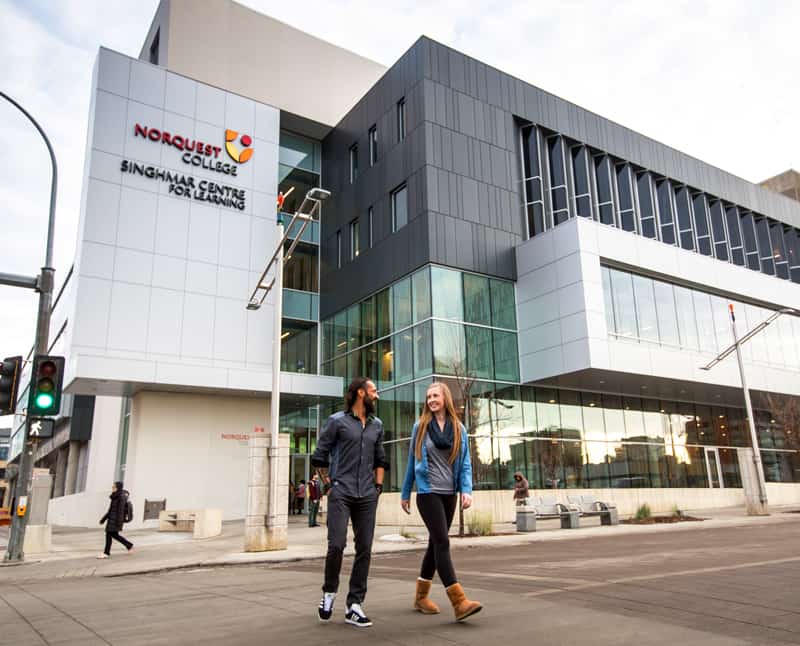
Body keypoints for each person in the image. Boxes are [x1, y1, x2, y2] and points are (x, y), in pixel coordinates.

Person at [401, 382, 482, 622]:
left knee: (435, 545)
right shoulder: (421, 426)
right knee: (443, 542)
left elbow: (466, 462)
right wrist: (406, 493)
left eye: (435, 395)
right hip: (427, 493)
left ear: (445, 398)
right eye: (428, 397)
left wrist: (466, 490)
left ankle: (420, 597)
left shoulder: (459, 428)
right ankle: (459, 602)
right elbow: (411, 461)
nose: (431, 400)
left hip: (449, 494)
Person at [312, 377, 387, 628]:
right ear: (360, 393)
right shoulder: (336, 422)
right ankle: (329, 592)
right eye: (373, 391)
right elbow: (320, 456)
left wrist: (377, 488)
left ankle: (354, 604)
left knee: (364, 548)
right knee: (337, 544)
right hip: (341, 492)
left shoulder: (377, 425)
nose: (377, 395)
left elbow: (380, 459)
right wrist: (328, 486)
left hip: (367, 494)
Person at [97, 481, 133, 558]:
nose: (112, 488)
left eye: (114, 487)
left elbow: (120, 511)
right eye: (112, 487)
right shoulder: (115, 496)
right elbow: (110, 510)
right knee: (114, 535)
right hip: (112, 519)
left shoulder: (121, 497)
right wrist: (103, 519)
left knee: (109, 535)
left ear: (118, 488)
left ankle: (106, 553)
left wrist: (118, 523)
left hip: (115, 521)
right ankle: (129, 545)